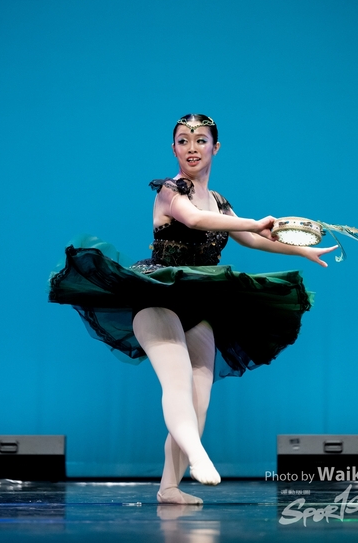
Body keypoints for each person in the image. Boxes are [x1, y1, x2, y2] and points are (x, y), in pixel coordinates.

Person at [49, 113, 336, 505]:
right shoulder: (170, 190)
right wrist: (253, 222)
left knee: (200, 397)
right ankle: (198, 456)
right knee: (177, 384)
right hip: (157, 297)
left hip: (198, 305)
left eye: (201, 140)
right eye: (183, 140)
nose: (192, 148)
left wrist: (301, 250)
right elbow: (195, 219)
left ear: (216, 147)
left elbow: (254, 240)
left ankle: (169, 487)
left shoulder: (220, 201)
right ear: (174, 149)